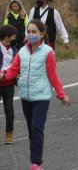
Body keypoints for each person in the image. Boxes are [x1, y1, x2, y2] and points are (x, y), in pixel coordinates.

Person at [0, 19, 71, 170]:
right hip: (26, 96)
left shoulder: (48, 52)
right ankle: (35, 160)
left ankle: (37, 163)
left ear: (42, 34)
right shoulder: (22, 52)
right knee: (31, 130)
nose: (30, 34)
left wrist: (61, 94)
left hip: (41, 97)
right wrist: (3, 74)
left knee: (37, 128)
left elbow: (53, 76)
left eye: (34, 32)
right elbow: (13, 70)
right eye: (28, 31)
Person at [0, 25, 18, 144]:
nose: (10, 41)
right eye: (8, 38)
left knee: (9, 109)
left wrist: (5, 72)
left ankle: (9, 133)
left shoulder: (14, 49)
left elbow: (16, 65)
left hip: (9, 83)